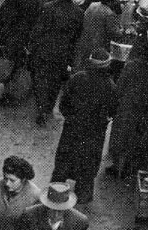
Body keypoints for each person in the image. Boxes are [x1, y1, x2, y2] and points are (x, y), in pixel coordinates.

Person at [51, 51, 118, 207]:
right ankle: (82, 200)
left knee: (63, 165)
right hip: (94, 135)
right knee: (87, 169)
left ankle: (53, 196)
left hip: (72, 131)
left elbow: (63, 104)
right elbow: (113, 111)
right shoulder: (110, 86)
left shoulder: (77, 78)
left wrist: (72, 118)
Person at [28, 0, 84, 125]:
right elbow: (76, 37)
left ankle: (41, 108)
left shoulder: (48, 7)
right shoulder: (78, 12)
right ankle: (48, 107)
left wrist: (32, 47)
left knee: (41, 79)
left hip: (43, 51)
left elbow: (37, 30)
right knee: (54, 83)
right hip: (62, 54)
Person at [109, 32, 148, 177]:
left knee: (120, 138)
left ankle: (117, 167)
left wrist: (115, 103)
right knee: (134, 140)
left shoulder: (131, 66)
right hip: (143, 110)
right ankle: (128, 168)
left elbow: (120, 87)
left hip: (126, 108)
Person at [74, 0, 121, 70]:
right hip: (98, 44)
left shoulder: (93, 5)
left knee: (82, 65)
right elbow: (114, 34)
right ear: (113, 0)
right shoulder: (109, 14)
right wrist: (121, 30)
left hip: (85, 40)